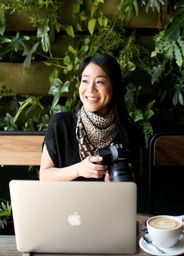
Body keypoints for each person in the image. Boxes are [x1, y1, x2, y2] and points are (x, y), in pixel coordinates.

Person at [39, 54, 137, 182]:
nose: (90, 90)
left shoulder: (129, 130)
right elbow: (44, 176)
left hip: (108, 201)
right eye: (85, 81)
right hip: (66, 201)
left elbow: (135, 188)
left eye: (100, 82)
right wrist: (78, 169)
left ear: (114, 86)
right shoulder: (61, 124)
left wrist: (117, 183)